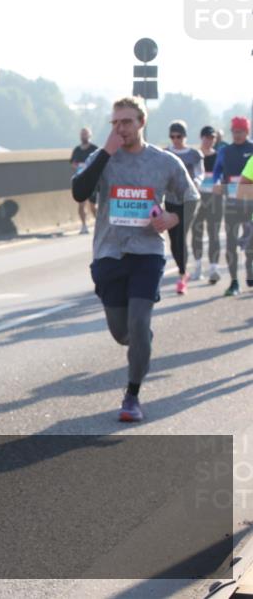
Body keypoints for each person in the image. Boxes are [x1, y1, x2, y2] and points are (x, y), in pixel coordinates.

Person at [71, 97, 198, 423]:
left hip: (147, 253)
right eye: (115, 123)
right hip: (109, 253)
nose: (120, 128)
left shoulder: (164, 162)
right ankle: (139, 341)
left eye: (126, 122)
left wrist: (173, 218)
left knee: (139, 323)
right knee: (122, 332)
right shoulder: (103, 158)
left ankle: (132, 396)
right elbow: (79, 191)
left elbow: (191, 196)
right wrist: (106, 153)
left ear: (141, 122)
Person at [211, 116, 253, 296]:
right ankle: (234, 282)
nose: (237, 135)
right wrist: (216, 185)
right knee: (230, 244)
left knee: (250, 244)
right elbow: (216, 172)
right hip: (232, 203)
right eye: (235, 131)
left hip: (250, 203)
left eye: (241, 131)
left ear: (247, 131)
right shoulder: (225, 151)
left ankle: (250, 272)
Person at [164, 121, 203, 294]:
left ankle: (182, 275)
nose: (175, 140)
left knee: (181, 236)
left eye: (178, 136)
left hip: (188, 201)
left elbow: (200, 172)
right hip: (171, 200)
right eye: (172, 136)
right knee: (173, 239)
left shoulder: (194, 154)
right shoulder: (165, 153)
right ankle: (183, 269)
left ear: (185, 136)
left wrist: (195, 182)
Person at [191, 125, 224, 283]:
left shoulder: (219, 156)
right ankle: (197, 267)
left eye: (212, 138)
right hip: (197, 200)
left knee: (214, 234)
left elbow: (225, 177)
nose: (209, 140)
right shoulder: (195, 156)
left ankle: (213, 268)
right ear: (201, 137)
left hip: (215, 200)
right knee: (196, 233)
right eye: (207, 137)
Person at [70, 127, 99, 234]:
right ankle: (84, 225)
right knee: (81, 204)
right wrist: (78, 166)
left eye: (86, 134)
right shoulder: (77, 150)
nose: (84, 136)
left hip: (92, 181)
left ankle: (98, 223)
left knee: (93, 206)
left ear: (90, 135)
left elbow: (99, 162)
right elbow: (72, 163)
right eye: (82, 134)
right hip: (80, 180)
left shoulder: (94, 149)